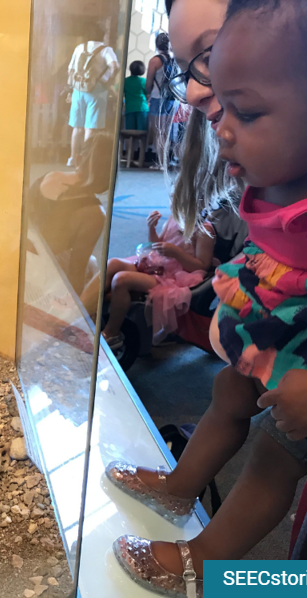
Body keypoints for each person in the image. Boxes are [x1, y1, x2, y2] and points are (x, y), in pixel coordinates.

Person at [106, 1, 307, 597]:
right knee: (229, 389)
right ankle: (180, 485)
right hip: (299, 337)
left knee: (276, 452)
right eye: (222, 105)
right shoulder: (295, 161)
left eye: (249, 111)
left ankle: (204, 564)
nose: (222, 127)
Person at [80, 211, 214, 351]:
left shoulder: (204, 229)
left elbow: (202, 266)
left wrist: (177, 253)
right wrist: (152, 229)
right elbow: (156, 246)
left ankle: (112, 333)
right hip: (159, 266)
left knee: (121, 280)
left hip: (175, 278)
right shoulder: (174, 218)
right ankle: (81, 311)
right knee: (112, 263)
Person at [29, 133, 112, 293]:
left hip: (17, 251)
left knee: (91, 263)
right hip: (38, 269)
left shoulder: (51, 176)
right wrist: (74, 313)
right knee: (91, 270)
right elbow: (76, 271)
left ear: (79, 159)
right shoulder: (94, 214)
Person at [67, 22, 120, 167]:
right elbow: (115, 66)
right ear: (102, 35)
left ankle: (72, 158)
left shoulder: (79, 48)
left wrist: (71, 88)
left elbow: (70, 70)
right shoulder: (106, 50)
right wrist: (106, 80)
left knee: (77, 127)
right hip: (96, 91)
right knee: (89, 127)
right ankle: (83, 161)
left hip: (78, 90)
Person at [145, 33, 178, 169]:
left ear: (156, 45)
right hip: (171, 99)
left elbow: (148, 83)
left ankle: (161, 163)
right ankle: (169, 159)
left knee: (159, 132)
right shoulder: (173, 59)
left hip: (158, 98)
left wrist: (147, 94)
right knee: (167, 131)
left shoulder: (154, 61)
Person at [124, 61, 149, 131]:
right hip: (142, 108)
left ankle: (131, 142)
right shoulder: (143, 81)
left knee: (129, 133)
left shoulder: (125, 81)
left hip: (130, 109)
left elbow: (115, 90)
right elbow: (148, 95)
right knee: (142, 132)